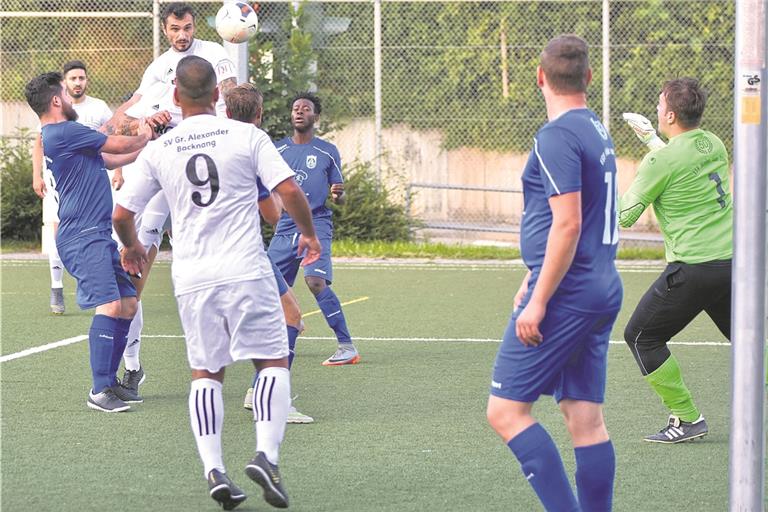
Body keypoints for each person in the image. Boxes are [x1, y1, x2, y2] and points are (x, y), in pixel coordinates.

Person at [113, 56, 321, 510]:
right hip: (246, 268)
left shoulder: (159, 150)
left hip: (193, 277)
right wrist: (307, 233)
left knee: (206, 373)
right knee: (271, 362)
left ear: (174, 98)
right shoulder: (247, 135)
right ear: (216, 97)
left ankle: (214, 468)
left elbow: (122, 214)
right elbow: (287, 192)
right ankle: (266, 455)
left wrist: (131, 248)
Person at [486, 34, 622, 512]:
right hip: (601, 283)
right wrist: (535, 270)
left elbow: (568, 221)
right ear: (588, 77)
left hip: (568, 290)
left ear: (540, 77)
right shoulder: (596, 129)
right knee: (583, 415)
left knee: (505, 410)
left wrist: (540, 296)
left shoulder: (557, 135)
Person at [102, 1, 238, 395]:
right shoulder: (158, 67)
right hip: (161, 169)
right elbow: (121, 121)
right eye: (176, 28)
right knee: (132, 269)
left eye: (188, 27)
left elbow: (235, 96)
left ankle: (235, 352)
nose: (183, 35)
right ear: (165, 30)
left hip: (204, 167)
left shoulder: (215, 54)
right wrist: (145, 121)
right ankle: (130, 368)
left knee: (217, 261)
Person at [24, 71, 154, 412]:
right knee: (111, 305)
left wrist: (144, 142)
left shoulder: (66, 137)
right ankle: (99, 392)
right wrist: (142, 132)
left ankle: (110, 383)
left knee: (128, 303)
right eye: (66, 94)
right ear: (56, 101)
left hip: (95, 234)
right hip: (82, 235)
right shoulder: (63, 131)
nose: (70, 99)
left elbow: (113, 158)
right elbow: (119, 143)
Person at [619, 78, 731, 444]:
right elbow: (681, 162)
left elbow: (625, 216)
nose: (655, 107)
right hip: (731, 265)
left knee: (640, 337)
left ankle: (687, 419)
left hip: (694, 270)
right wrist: (652, 138)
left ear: (669, 114)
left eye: (659, 103)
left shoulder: (659, 161)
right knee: (751, 340)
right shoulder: (712, 143)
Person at [225, 84, 314, 424]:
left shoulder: (211, 138)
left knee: (282, 312)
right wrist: (307, 232)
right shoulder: (253, 142)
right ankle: (271, 401)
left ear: (227, 113)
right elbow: (275, 210)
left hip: (202, 254)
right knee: (289, 316)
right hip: (245, 250)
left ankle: (255, 392)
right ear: (259, 116)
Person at [269, 92, 360, 366]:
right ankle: (287, 324)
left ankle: (346, 346)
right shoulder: (277, 151)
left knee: (315, 281)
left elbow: (341, 197)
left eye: (305, 109)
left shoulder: (327, 151)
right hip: (286, 226)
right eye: (295, 108)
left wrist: (339, 195)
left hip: (317, 222)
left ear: (315, 117)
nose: (299, 112)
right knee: (267, 285)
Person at [32, 60, 120, 315]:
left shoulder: (98, 107)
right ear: (65, 86)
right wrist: (36, 175)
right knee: (57, 228)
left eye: (82, 78)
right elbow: (38, 143)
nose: (78, 82)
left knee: (98, 225)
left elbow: (112, 140)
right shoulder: (57, 121)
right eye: (73, 79)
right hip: (60, 181)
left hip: (91, 174)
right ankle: (57, 287)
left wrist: (120, 167)